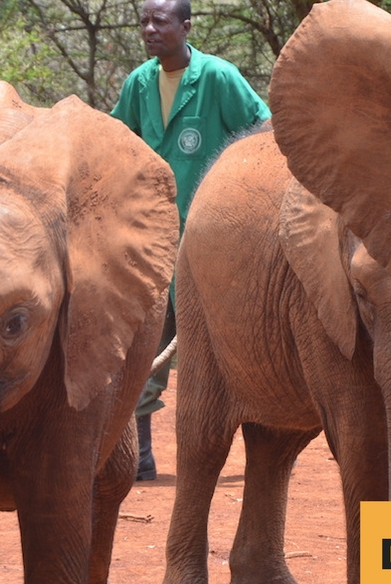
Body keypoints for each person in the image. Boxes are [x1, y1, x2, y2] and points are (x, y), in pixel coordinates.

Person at [111, 0, 271, 480]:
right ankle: (139, 459)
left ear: (185, 26)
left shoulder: (218, 77)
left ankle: (260, 455)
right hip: (151, 242)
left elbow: (262, 129)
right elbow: (117, 143)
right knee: (143, 348)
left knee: (229, 349)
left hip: (212, 243)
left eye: (159, 21)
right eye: (144, 21)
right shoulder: (138, 84)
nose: (149, 30)